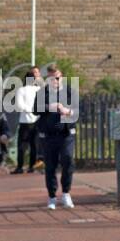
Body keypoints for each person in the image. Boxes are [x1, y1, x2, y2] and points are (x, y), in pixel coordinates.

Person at [34, 64, 77, 209]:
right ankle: (52, 196)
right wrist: (48, 107)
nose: (55, 81)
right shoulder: (42, 93)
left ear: (62, 78)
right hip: (48, 135)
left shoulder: (70, 92)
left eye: (57, 78)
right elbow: (34, 109)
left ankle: (66, 193)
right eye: (51, 78)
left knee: (68, 160)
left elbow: (78, 112)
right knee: (50, 166)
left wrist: (67, 111)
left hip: (66, 134)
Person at [11, 66, 41, 174]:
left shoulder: (22, 90)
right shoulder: (37, 90)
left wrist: (29, 110)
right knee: (33, 145)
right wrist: (34, 111)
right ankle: (31, 166)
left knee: (23, 145)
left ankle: (20, 167)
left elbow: (19, 105)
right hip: (34, 120)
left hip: (26, 121)